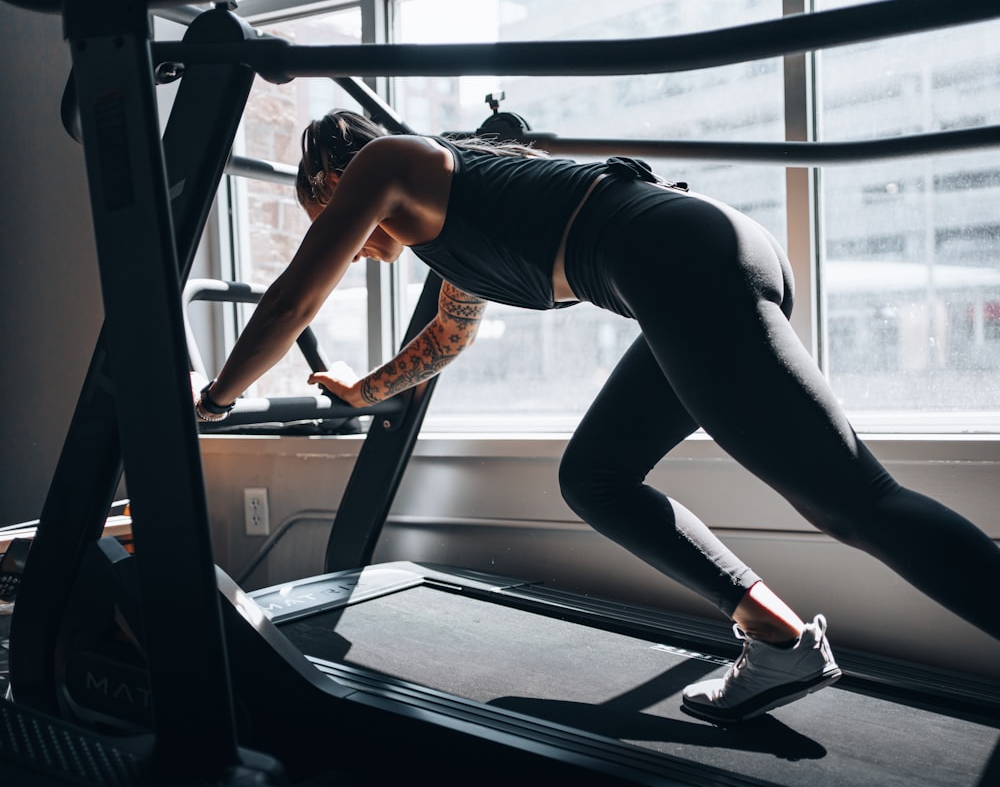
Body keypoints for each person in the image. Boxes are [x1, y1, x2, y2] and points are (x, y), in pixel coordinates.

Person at [194, 109, 1000, 724]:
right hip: (689, 268)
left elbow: (297, 293)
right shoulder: (455, 225)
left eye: (322, 214)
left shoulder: (391, 159)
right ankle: (780, 642)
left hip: (685, 265)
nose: (345, 240)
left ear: (333, 184)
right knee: (595, 477)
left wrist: (219, 394)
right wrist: (362, 392)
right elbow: (446, 337)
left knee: (854, 502)